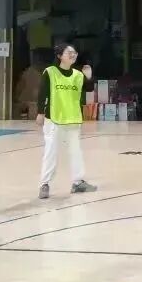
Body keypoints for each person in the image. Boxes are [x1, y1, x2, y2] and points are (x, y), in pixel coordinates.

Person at [36, 43, 97, 199]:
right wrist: (40, 113)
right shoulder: (50, 72)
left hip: (73, 120)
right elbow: (42, 93)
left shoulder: (77, 74)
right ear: (59, 56)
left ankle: (78, 182)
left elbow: (89, 88)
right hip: (54, 119)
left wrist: (89, 76)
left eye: (74, 52)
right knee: (51, 152)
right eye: (69, 52)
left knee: (76, 152)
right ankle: (44, 184)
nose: (73, 55)